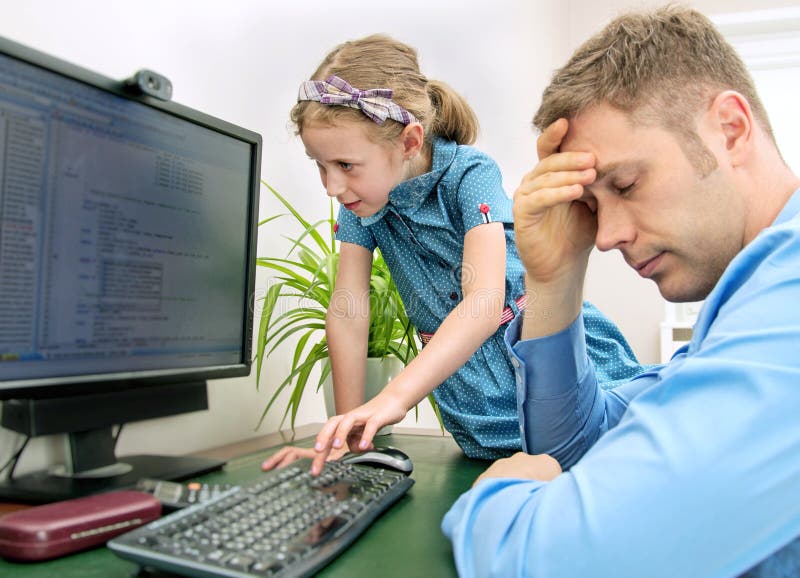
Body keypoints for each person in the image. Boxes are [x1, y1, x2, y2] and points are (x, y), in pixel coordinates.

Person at [441, 5, 800, 577]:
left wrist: (497, 495)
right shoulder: (741, 313)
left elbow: (554, 562)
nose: (606, 236)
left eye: (627, 184)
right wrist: (555, 276)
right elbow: (578, 444)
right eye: (591, 204)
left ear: (730, 130)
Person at [262, 34, 643, 474]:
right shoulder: (359, 205)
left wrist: (391, 400)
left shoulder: (469, 172)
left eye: (345, 165)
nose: (332, 186)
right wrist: (349, 437)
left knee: (614, 459)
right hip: (476, 404)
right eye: (320, 166)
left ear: (408, 141)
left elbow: (482, 304)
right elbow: (349, 310)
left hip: (543, 360)